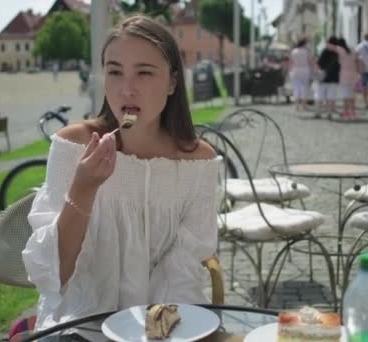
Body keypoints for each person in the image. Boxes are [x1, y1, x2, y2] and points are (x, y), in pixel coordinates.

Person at [21, 15, 219, 332]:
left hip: (161, 329)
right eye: (115, 72)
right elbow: (52, 274)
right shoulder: (74, 145)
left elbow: (183, 272)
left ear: (172, 82)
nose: (126, 89)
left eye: (144, 72)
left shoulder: (199, 164)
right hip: (80, 325)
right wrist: (83, 189)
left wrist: (154, 330)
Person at [327, 38, 360, 120]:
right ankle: (353, 112)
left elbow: (331, 50)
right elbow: (357, 60)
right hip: (353, 73)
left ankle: (346, 112)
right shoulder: (352, 49)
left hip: (344, 74)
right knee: (352, 94)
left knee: (345, 95)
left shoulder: (339, 50)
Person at [315, 36, 340, 119]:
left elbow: (318, 64)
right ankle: (329, 113)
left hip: (323, 77)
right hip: (334, 77)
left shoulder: (325, 51)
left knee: (320, 96)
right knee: (331, 96)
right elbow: (340, 66)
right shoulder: (338, 53)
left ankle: (318, 112)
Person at [288, 38, 314, 111]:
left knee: (296, 88)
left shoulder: (294, 51)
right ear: (304, 44)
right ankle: (304, 105)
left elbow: (290, 62)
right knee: (304, 88)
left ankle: (296, 105)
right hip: (305, 70)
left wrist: (290, 71)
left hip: (295, 70)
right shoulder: (306, 51)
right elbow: (310, 61)